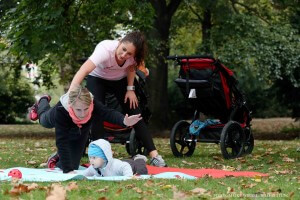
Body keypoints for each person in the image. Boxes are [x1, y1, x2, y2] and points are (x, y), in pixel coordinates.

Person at [68, 31, 166, 167]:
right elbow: (83, 70)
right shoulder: (105, 49)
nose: (124, 55)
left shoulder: (133, 58)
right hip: (97, 79)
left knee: (136, 114)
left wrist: (130, 89)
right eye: (123, 49)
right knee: (97, 113)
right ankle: (99, 156)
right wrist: (71, 94)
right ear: (119, 43)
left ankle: (154, 156)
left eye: (129, 54)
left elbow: (131, 69)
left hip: (119, 81)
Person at [28, 85, 142, 174]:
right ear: (71, 105)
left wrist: (124, 121)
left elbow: (107, 113)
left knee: (74, 166)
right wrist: (67, 170)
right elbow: (61, 141)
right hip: (55, 116)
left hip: (81, 128)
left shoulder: (93, 104)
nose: (82, 114)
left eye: (86, 109)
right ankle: (42, 101)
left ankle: (57, 158)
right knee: (43, 120)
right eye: (78, 110)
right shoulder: (61, 110)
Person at [82, 139, 148, 177]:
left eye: (94, 158)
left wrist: (128, 176)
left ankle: (139, 158)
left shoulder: (116, 166)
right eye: (90, 157)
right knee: (123, 162)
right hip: (121, 162)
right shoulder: (93, 168)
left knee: (142, 169)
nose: (91, 161)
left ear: (104, 157)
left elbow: (125, 166)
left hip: (132, 167)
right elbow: (84, 174)